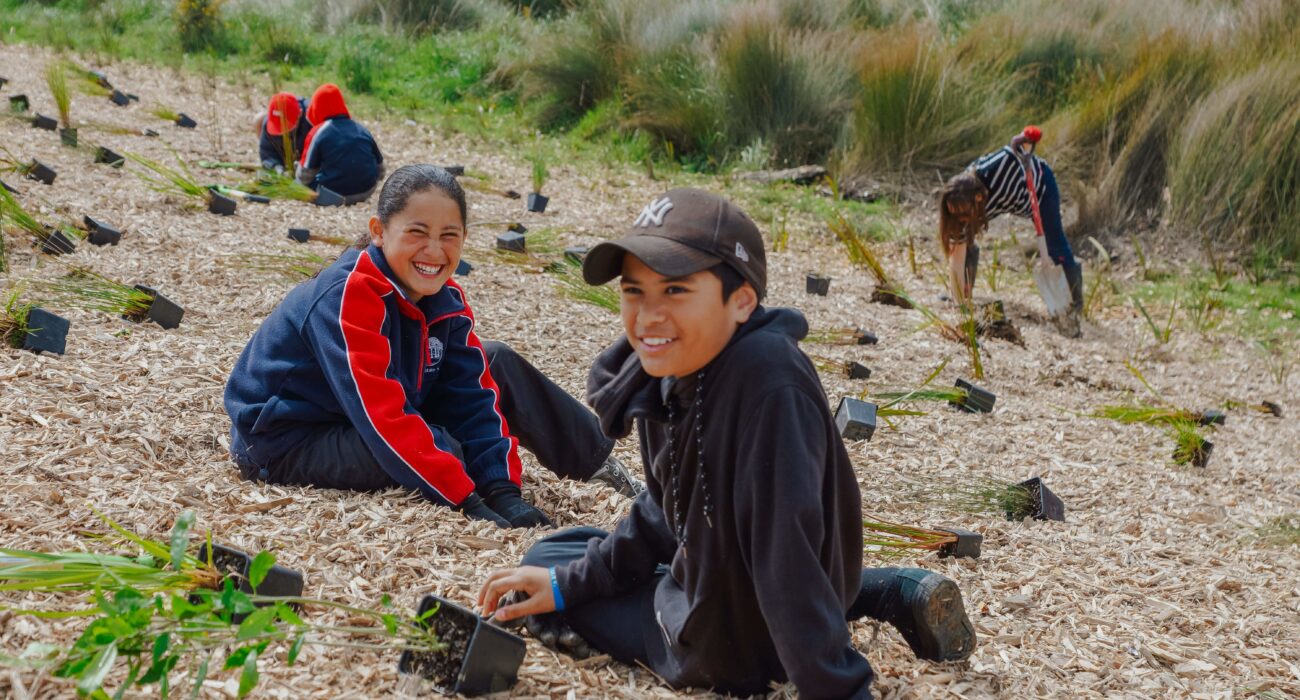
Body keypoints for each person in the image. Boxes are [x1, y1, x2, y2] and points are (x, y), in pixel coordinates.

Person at [477, 188, 976, 697]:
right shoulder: (670, 366)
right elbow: (664, 507)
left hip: (728, 644)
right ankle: (879, 591)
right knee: (558, 556)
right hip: (728, 577)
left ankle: (872, 594)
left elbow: (787, 560)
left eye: (674, 291)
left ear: (741, 300)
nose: (648, 316)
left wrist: (839, 687)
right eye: (634, 290)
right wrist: (569, 581)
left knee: (548, 568)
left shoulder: (768, 382)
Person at [224, 165, 642, 529]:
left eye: (449, 235)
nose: (434, 250)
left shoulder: (445, 297)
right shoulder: (346, 296)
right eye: (417, 232)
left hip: (370, 407)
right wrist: (470, 500)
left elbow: (473, 395)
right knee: (444, 448)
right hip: (285, 438)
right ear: (378, 232)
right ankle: (456, 467)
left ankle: (598, 467)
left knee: (494, 361)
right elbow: (383, 418)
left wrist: (503, 489)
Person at [939, 125, 1084, 336]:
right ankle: (963, 294)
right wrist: (959, 306)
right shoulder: (960, 200)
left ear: (978, 198)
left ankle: (1074, 306)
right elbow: (957, 257)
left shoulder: (996, 167)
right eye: (955, 214)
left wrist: (1026, 138)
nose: (959, 219)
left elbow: (1013, 149)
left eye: (962, 214)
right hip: (1004, 200)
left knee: (1056, 246)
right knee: (963, 238)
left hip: (1040, 190)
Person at [295, 83, 385, 205]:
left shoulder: (318, 132)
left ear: (316, 108)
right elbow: (381, 170)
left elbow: (304, 176)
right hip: (367, 190)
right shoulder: (361, 129)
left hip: (332, 194)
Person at [254, 92, 311, 173]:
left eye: (286, 127)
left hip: (307, 168)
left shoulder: (313, 120)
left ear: (300, 113)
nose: (282, 133)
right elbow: (267, 153)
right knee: (258, 119)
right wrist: (276, 167)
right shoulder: (268, 123)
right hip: (286, 165)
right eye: (277, 127)